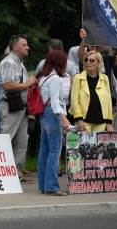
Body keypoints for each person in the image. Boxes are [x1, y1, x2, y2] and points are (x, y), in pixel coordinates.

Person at [0, 34, 37, 181]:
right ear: (15, 46)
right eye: (24, 44)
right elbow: (7, 85)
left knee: (21, 142)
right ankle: (1, 173)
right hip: (10, 106)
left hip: (21, 107)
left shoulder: (20, 63)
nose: (28, 47)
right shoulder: (8, 62)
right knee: (6, 139)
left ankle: (17, 174)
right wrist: (27, 84)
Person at [37, 48, 70, 196]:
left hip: (43, 113)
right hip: (52, 113)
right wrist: (64, 119)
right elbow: (55, 102)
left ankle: (43, 185)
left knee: (44, 149)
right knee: (54, 150)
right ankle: (52, 186)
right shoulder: (55, 78)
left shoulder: (43, 77)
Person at [70, 51, 113, 132]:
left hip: (101, 122)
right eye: (86, 60)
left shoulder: (105, 79)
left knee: (100, 145)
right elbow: (74, 101)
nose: (88, 62)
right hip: (84, 122)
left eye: (92, 60)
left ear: (99, 63)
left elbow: (109, 102)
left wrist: (109, 122)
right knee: (83, 144)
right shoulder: (78, 78)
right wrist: (79, 119)